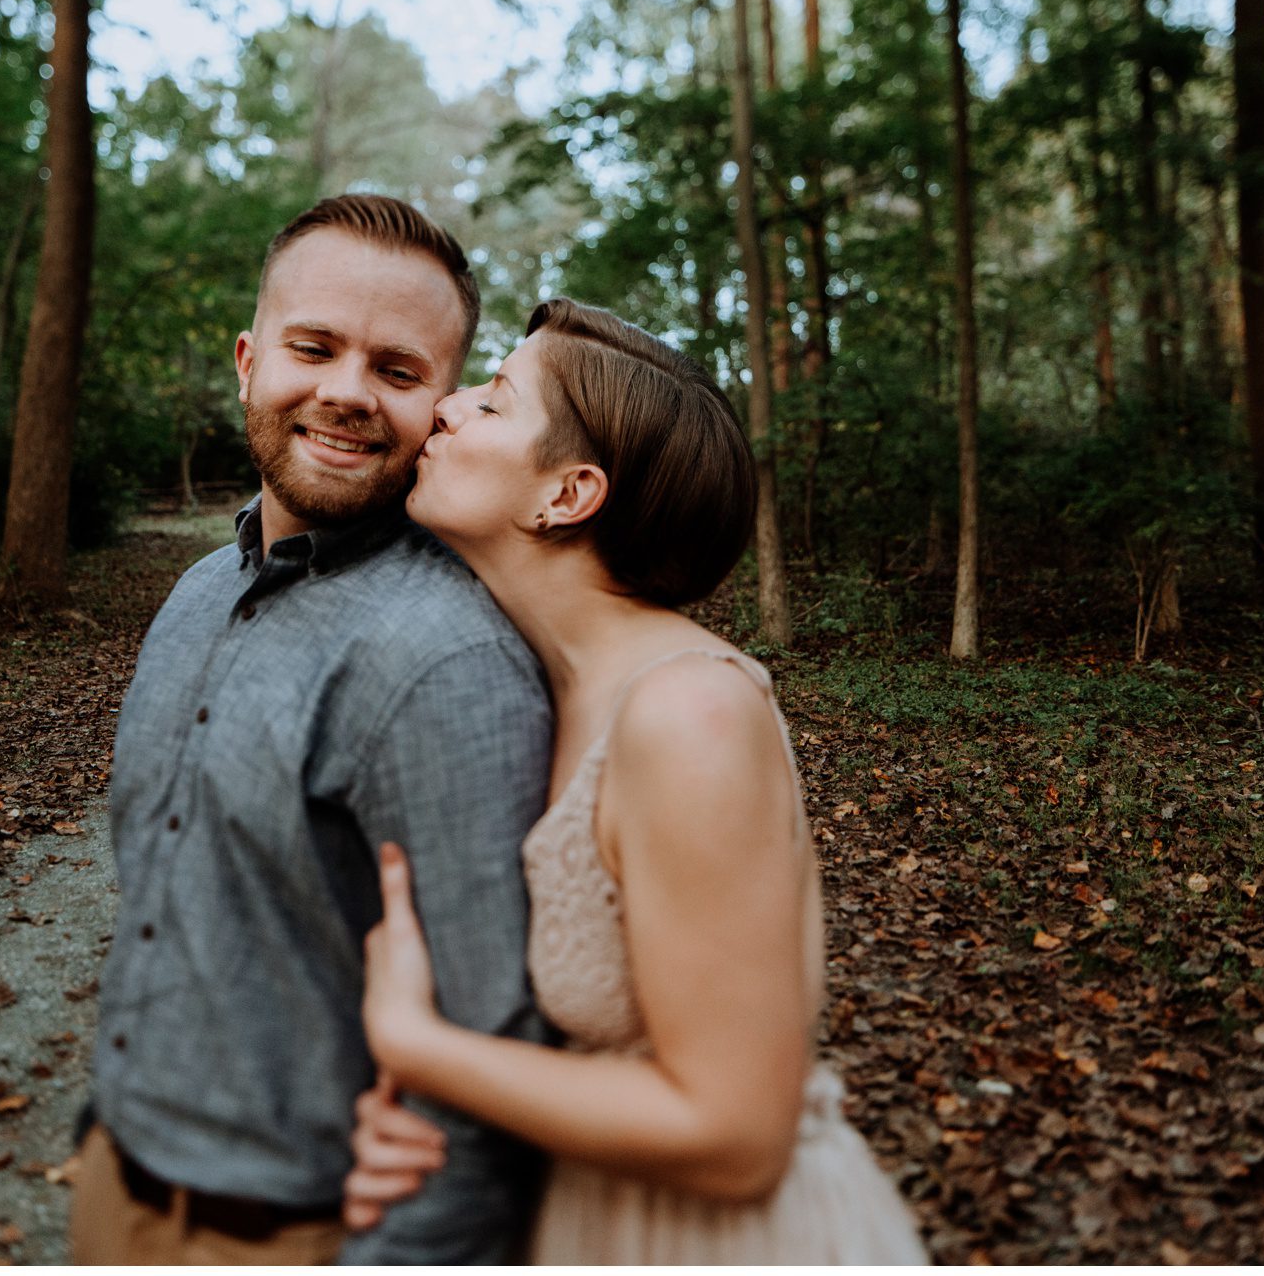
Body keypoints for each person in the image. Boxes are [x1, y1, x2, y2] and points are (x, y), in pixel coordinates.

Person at [344, 299, 930, 1263]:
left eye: (493, 403)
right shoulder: (538, 687)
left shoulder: (688, 714)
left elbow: (737, 1134)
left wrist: (419, 1045)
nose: (446, 408)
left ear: (566, 496)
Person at [68, 195, 555, 1264]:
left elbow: (491, 1062)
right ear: (248, 361)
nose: (344, 392)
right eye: (313, 347)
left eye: (395, 367)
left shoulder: (445, 661)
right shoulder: (197, 590)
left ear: (439, 406)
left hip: (298, 1235)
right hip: (114, 1188)